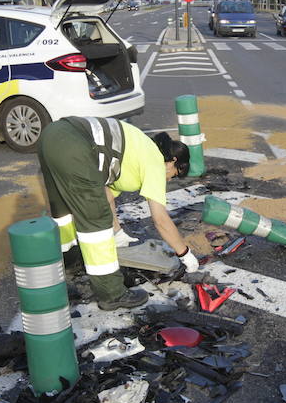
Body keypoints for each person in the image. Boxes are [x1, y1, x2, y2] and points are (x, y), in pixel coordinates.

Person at [37, 117, 200, 311]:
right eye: (173, 175)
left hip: (51, 136)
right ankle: (112, 294)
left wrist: (118, 233)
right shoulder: (156, 161)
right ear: (172, 162)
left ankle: (66, 270)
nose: (168, 179)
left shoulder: (140, 148)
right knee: (96, 223)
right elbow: (161, 219)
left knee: (63, 212)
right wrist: (185, 253)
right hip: (75, 147)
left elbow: (106, 195)